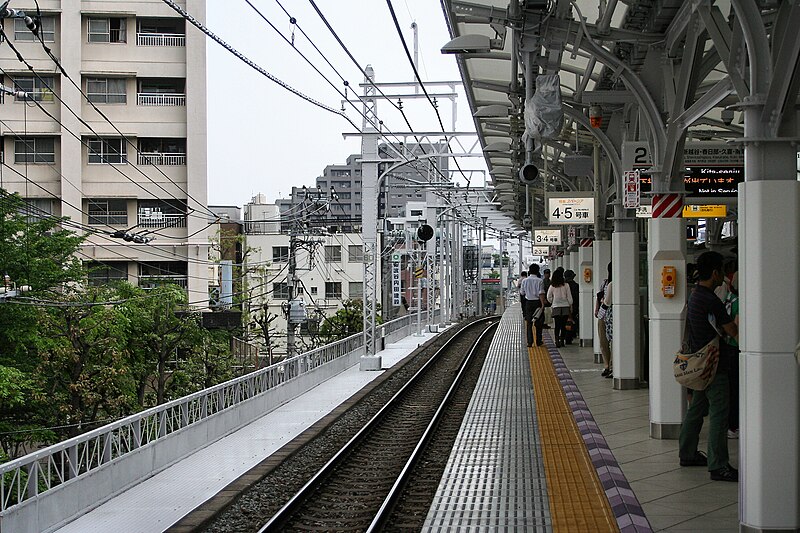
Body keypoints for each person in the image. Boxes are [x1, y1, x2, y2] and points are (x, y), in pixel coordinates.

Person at [678, 251, 739, 482]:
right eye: (722, 271)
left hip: (699, 364)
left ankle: (687, 453)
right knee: (719, 414)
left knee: (696, 410)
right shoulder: (712, 300)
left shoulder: (695, 296)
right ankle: (718, 464)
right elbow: (732, 331)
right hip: (715, 365)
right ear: (715, 273)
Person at [724, 271, 740, 439]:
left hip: (728, 347)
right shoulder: (740, 302)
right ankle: (734, 425)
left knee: (732, 389)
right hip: (736, 348)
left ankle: (731, 424)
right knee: (736, 389)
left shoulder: (729, 297)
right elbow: (737, 326)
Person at [521, 264, 546, 347]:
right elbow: (541, 293)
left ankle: (529, 342)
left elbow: (522, 293)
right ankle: (538, 341)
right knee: (539, 323)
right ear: (538, 271)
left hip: (528, 303)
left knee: (529, 323)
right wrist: (542, 304)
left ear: (530, 271)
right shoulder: (540, 281)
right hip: (537, 303)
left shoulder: (524, 281)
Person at [547, 268, 573, 348]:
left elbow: (548, 297)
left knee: (557, 325)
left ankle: (557, 340)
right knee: (563, 325)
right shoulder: (566, 285)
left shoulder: (552, 286)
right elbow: (570, 298)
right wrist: (569, 304)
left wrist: (553, 302)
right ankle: (562, 341)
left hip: (556, 307)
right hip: (565, 307)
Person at [595, 262, 612, 378]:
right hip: (603, 314)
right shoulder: (605, 282)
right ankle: (607, 365)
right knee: (603, 341)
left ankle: (613, 366)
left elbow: (606, 301)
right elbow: (599, 296)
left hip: (612, 315)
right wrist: (597, 309)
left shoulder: (615, 283)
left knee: (612, 342)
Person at [564, 270, 579, 344]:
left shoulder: (562, 285)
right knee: (571, 321)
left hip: (563, 306)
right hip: (573, 306)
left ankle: (564, 336)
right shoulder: (575, 285)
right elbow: (576, 297)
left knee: (564, 321)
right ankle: (569, 337)